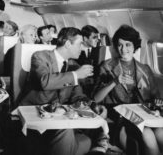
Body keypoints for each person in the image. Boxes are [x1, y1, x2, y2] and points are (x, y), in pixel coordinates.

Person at [18, 27, 107, 155]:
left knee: (82, 137)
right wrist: (75, 75)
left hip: (58, 118)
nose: (82, 48)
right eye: (80, 44)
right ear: (68, 44)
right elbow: (44, 81)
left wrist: (93, 105)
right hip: (35, 115)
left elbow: (78, 96)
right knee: (72, 133)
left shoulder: (73, 66)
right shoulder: (40, 56)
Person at [93, 25, 163, 155]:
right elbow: (96, 98)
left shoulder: (145, 69)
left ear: (135, 46)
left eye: (128, 44)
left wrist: (157, 101)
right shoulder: (106, 67)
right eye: (120, 45)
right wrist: (115, 82)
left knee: (161, 133)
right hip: (119, 113)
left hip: (143, 112)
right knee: (148, 136)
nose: (123, 49)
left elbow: (155, 96)